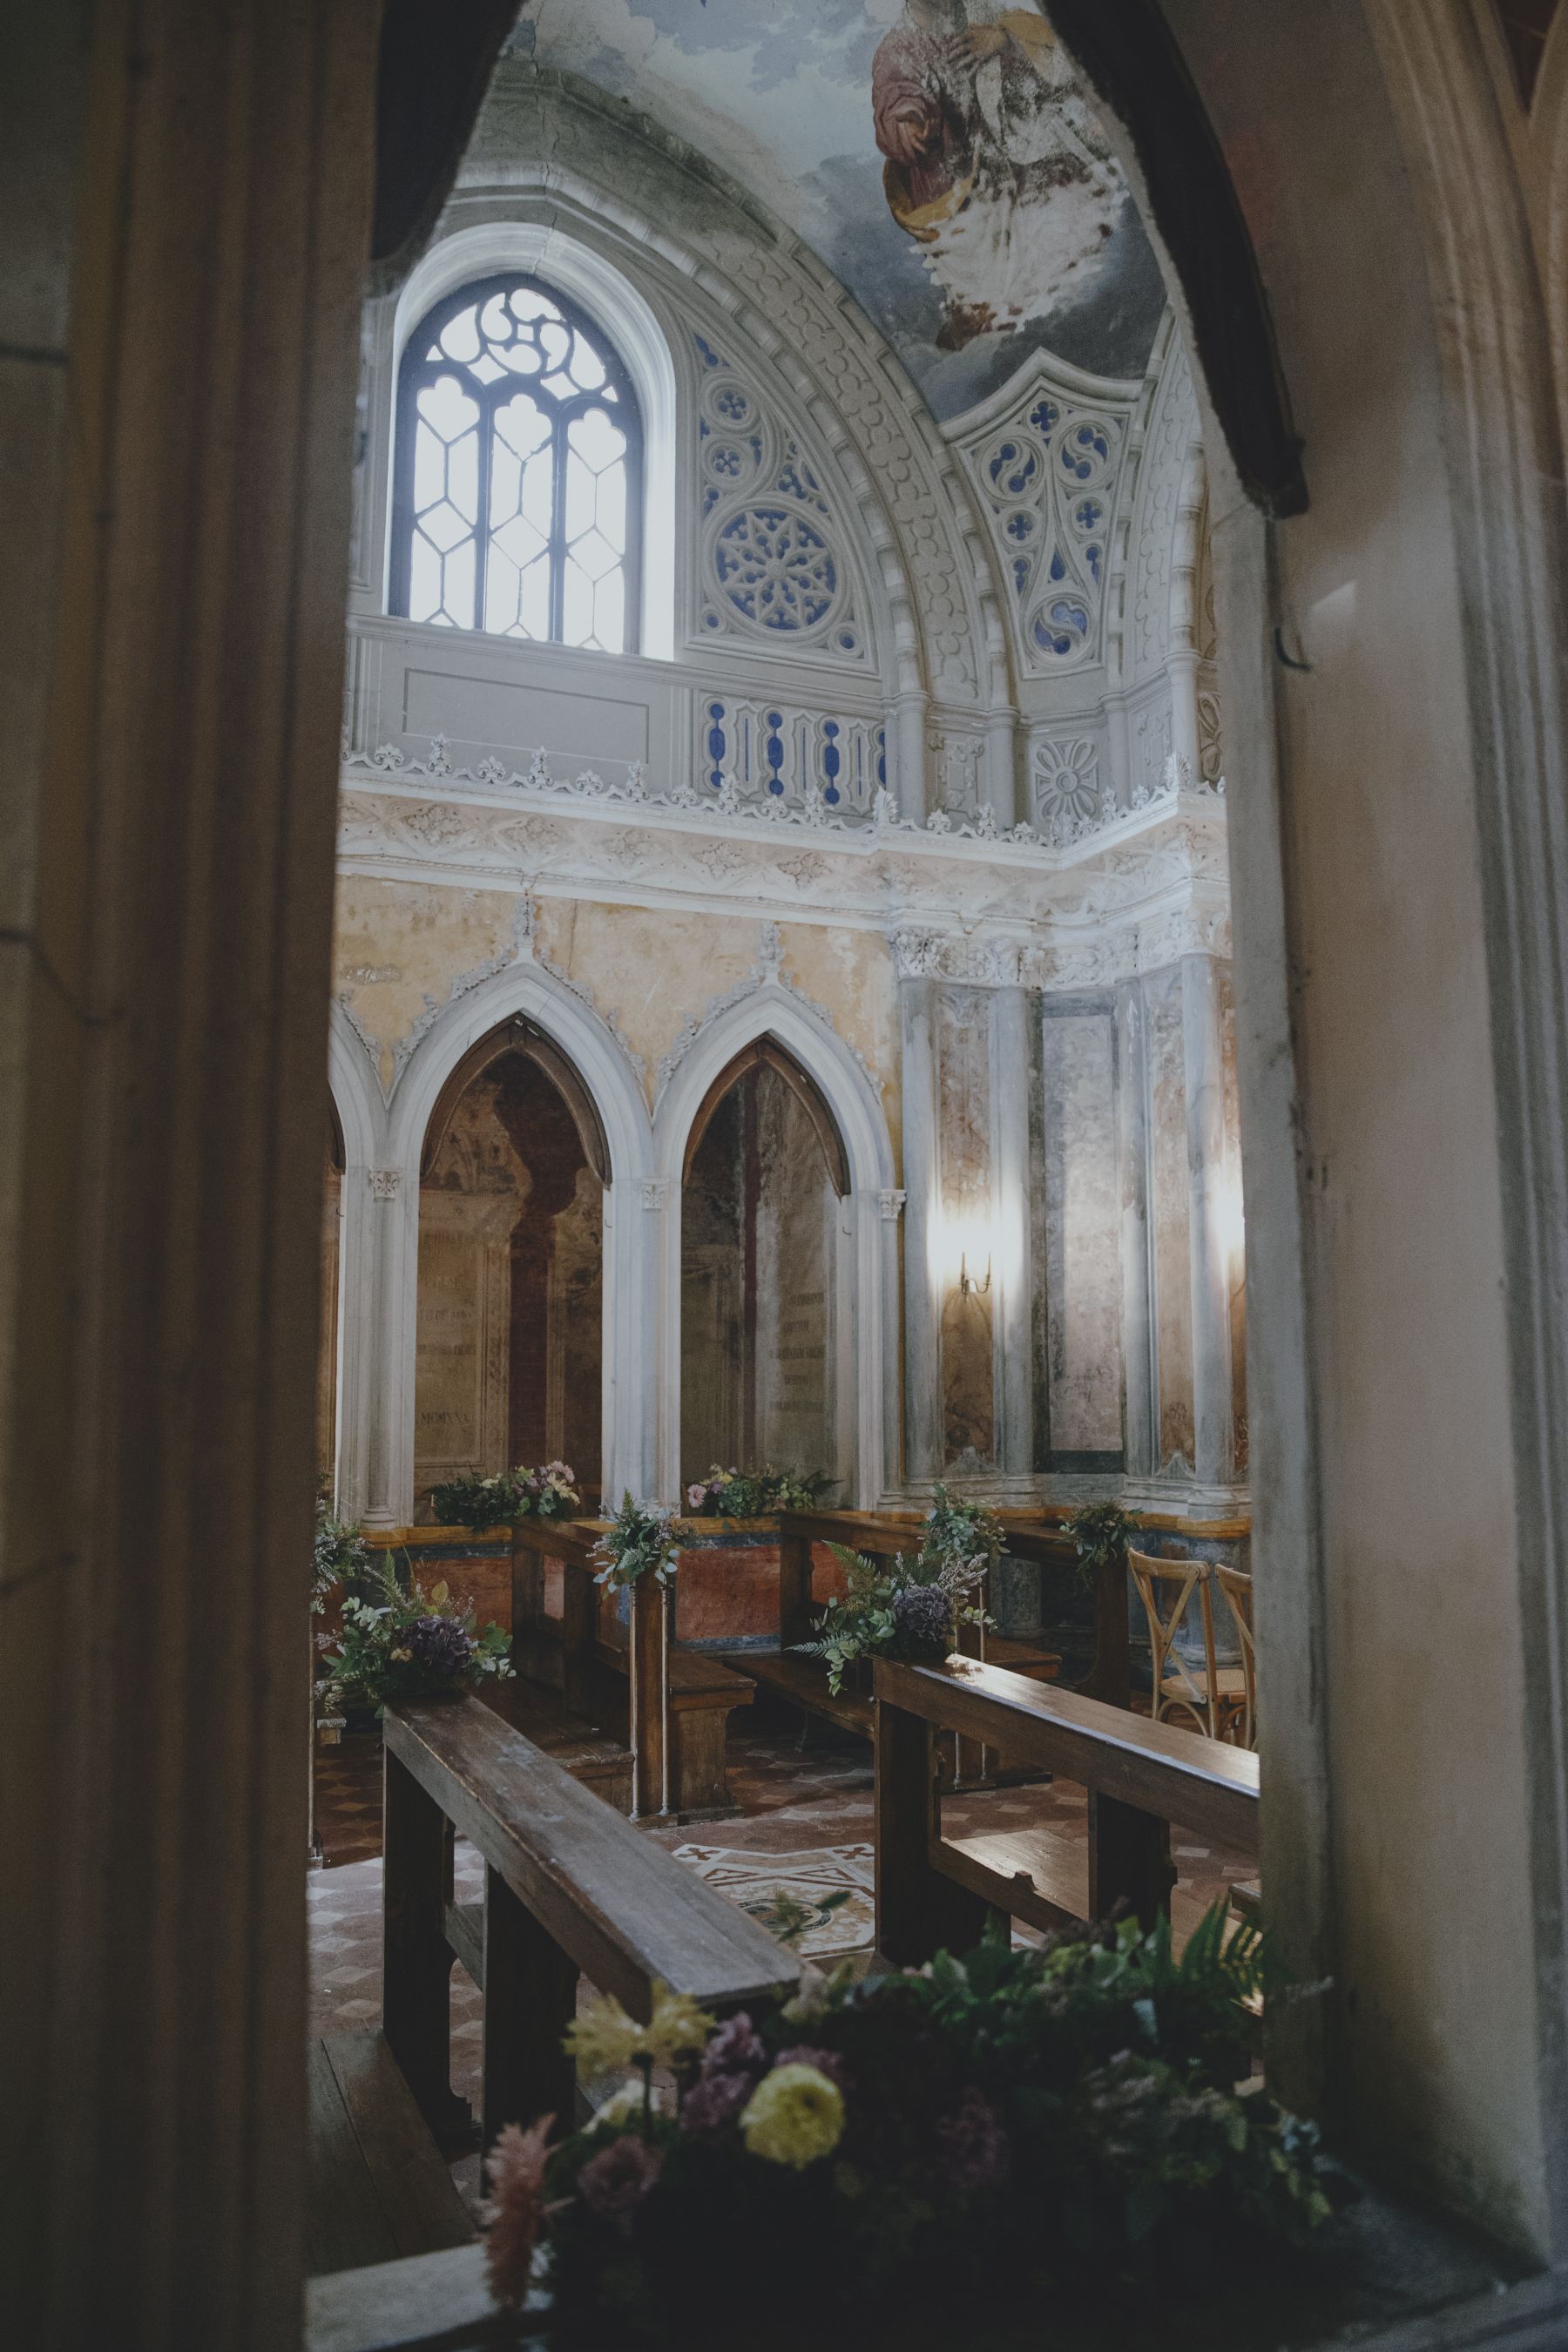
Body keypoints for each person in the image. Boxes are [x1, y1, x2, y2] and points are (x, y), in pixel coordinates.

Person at [871, 1, 1122, 350]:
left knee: (1064, 217)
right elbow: (894, 99)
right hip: (958, 177)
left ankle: (1065, 301)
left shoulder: (983, 12)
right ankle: (988, 316)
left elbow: (1058, 60)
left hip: (1013, 148)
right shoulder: (898, 49)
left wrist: (1005, 42)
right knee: (979, 258)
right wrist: (909, 125)